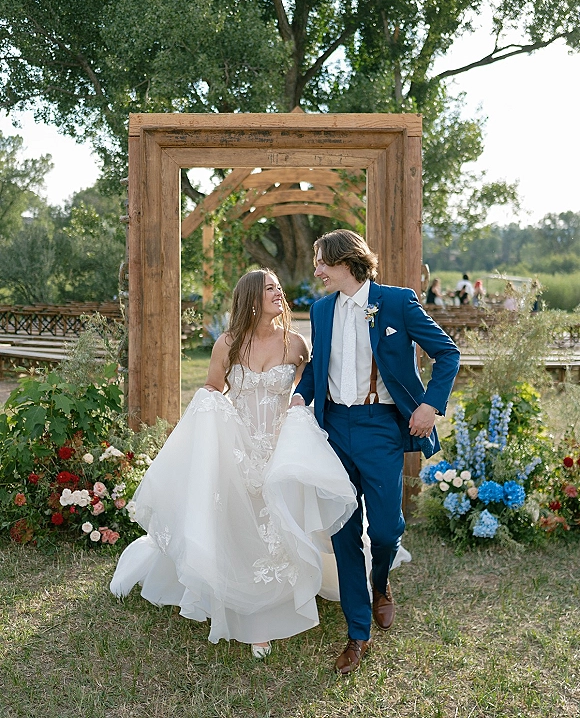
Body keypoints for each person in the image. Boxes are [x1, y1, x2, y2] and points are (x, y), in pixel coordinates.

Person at [110, 269, 357, 658]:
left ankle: (274, 605)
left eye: (279, 287)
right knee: (239, 523)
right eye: (270, 288)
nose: (279, 293)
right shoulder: (227, 344)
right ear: (252, 298)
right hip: (237, 447)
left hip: (279, 448)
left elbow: (308, 389)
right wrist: (216, 420)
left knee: (276, 526)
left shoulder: (296, 344)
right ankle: (241, 605)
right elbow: (211, 389)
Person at [292, 230, 460, 674]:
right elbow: (317, 367)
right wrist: (296, 398)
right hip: (332, 431)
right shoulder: (322, 308)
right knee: (344, 530)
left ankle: (381, 583)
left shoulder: (397, 302)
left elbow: (447, 353)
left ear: (346, 261)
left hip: (381, 426)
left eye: (322, 262)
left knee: (385, 530)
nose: (317, 270)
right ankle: (357, 633)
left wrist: (430, 404)